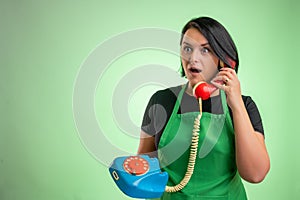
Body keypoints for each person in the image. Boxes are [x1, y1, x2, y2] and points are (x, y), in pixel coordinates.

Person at [137, 16, 270, 199]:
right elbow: (145, 164)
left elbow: (255, 174)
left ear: (224, 60)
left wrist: (236, 103)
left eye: (205, 50)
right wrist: (131, 172)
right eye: (187, 49)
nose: (193, 58)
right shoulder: (161, 100)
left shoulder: (244, 106)